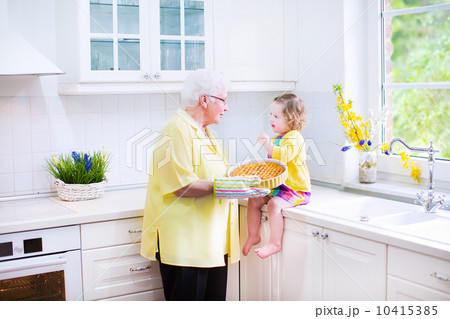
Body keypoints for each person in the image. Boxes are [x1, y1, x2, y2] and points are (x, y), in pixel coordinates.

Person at [140, 69, 267, 301]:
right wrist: (230, 186)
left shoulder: (208, 133)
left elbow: (219, 175)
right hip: (186, 248)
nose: (227, 107)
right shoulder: (175, 129)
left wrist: (242, 178)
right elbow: (181, 185)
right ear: (204, 99)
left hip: (212, 244)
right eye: (224, 101)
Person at [242, 93, 311, 259]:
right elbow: (275, 166)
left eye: (276, 116)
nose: (271, 119)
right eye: (271, 115)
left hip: (295, 190)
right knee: (254, 199)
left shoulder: (295, 137)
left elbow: (284, 156)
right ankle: (253, 235)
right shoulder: (278, 138)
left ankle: (275, 243)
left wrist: (266, 144)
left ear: (291, 119)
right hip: (279, 188)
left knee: (273, 206)